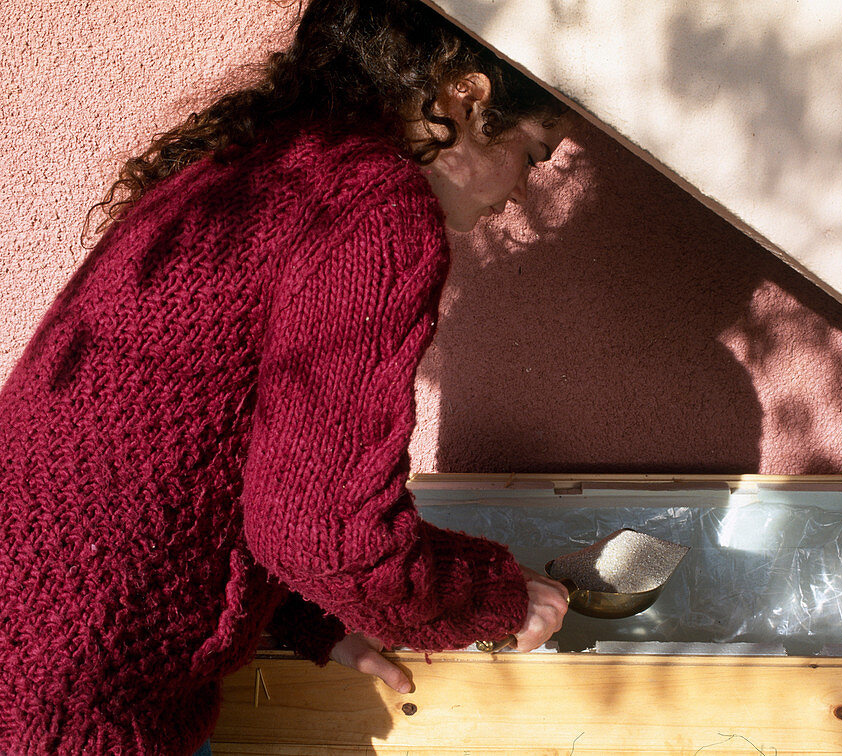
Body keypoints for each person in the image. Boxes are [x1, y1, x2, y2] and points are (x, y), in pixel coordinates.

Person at [0, 0, 573, 753]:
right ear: (466, 97)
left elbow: (194, 451)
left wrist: (301, 614)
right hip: (71, 706)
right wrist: (493, 597)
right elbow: (325, 534)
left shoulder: (269, 160)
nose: (522, 192)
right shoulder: (373, 212)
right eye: (534, 152)